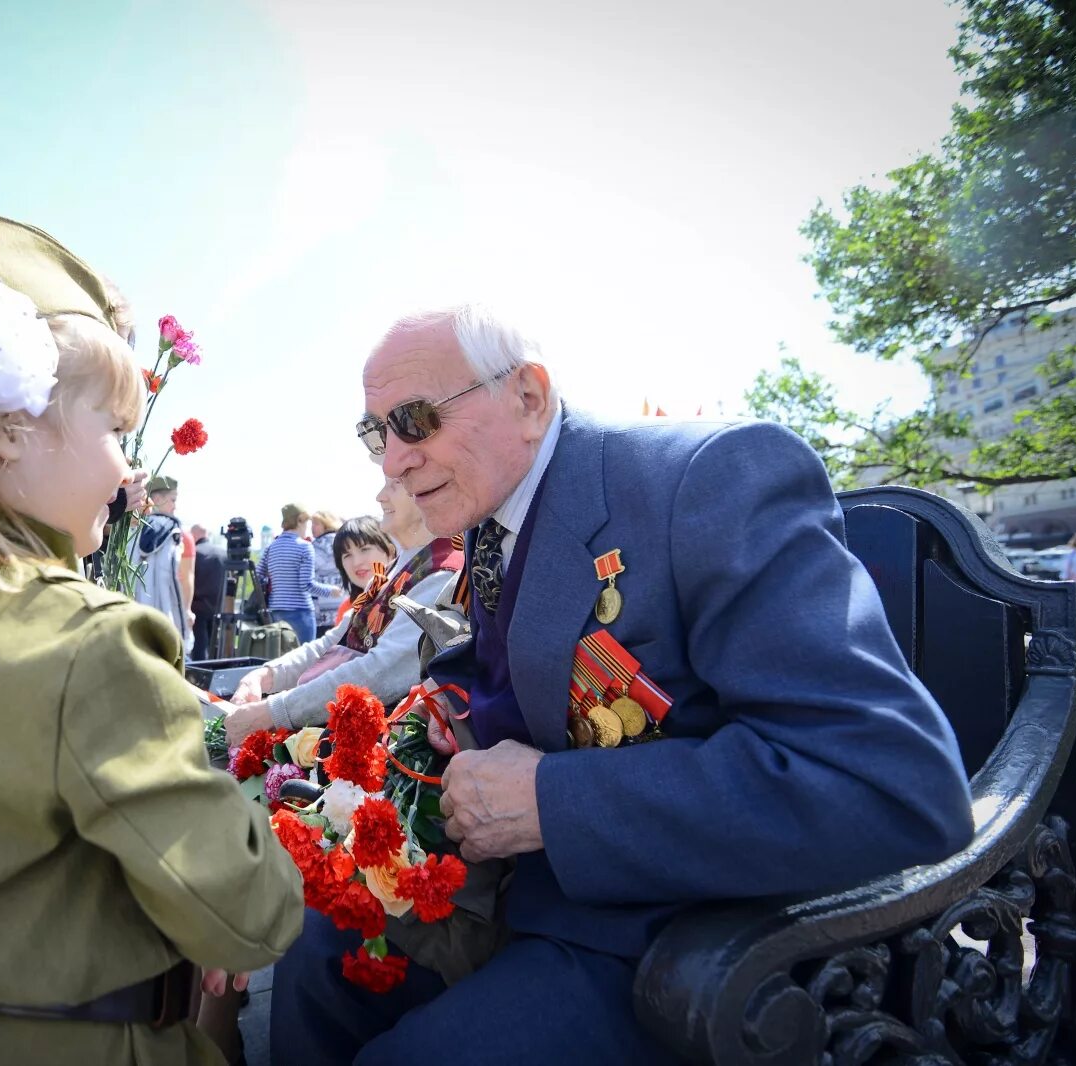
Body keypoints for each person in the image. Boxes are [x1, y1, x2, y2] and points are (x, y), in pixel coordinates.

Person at [271, 304, 975, 1064]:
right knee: (313, 953)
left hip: (685, 943)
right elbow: (514, 664)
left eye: (414, 420)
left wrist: (549, 801)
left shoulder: (709, 479)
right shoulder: (494, 512)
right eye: (376, 432)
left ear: (529, 397)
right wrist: (458, 705)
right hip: (526, 893)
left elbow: (889, 783)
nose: (392, 461)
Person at [0, 210, 302, 1064]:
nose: (127, 468)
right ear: (10, 432)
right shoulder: (88, 638)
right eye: (113, 430)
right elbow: (248, 912)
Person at [224, 480, 460, 744]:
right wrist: (267, 675)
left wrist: (274, 712)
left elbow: (381, 672)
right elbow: (335, 642)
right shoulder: (397, 568)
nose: (380, 496)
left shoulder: (442, 570)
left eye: (394, 484)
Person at [258, 503, 339, 645]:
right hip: (301, 613)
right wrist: (330, 591)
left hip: (275, 611)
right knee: (305, 660)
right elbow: (306, 584)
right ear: (300, 520)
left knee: (281, 658)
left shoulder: (271, 547)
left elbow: (258, 577)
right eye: (307, 522)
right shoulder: (305, 547)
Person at [132, 475, 195, 651]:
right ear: (157, 499)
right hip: (168, 614)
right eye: (172, 500)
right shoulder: (181, 535)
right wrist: (187, 610)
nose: (175, 506)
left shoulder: (130, 532)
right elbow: (186, 577)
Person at [330, 516, 398, 624]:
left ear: (390, 552)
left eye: (364, 549)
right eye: (347, 555)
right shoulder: (347, 609)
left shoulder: (406, 597)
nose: (357, 562)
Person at [190, 523, 224, 661]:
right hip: (220, 608)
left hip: (197, 607)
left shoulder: (194, 553)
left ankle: (200, 678)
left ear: (194, 534)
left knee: (199, 647)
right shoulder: (224, 553)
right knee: (216, 646)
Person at [309, 510, 345, 630]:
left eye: (316, 524)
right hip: (343, 604)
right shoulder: (344, 540)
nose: (312, 528)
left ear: (327, 524)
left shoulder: (319, 545)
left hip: (324, 607)